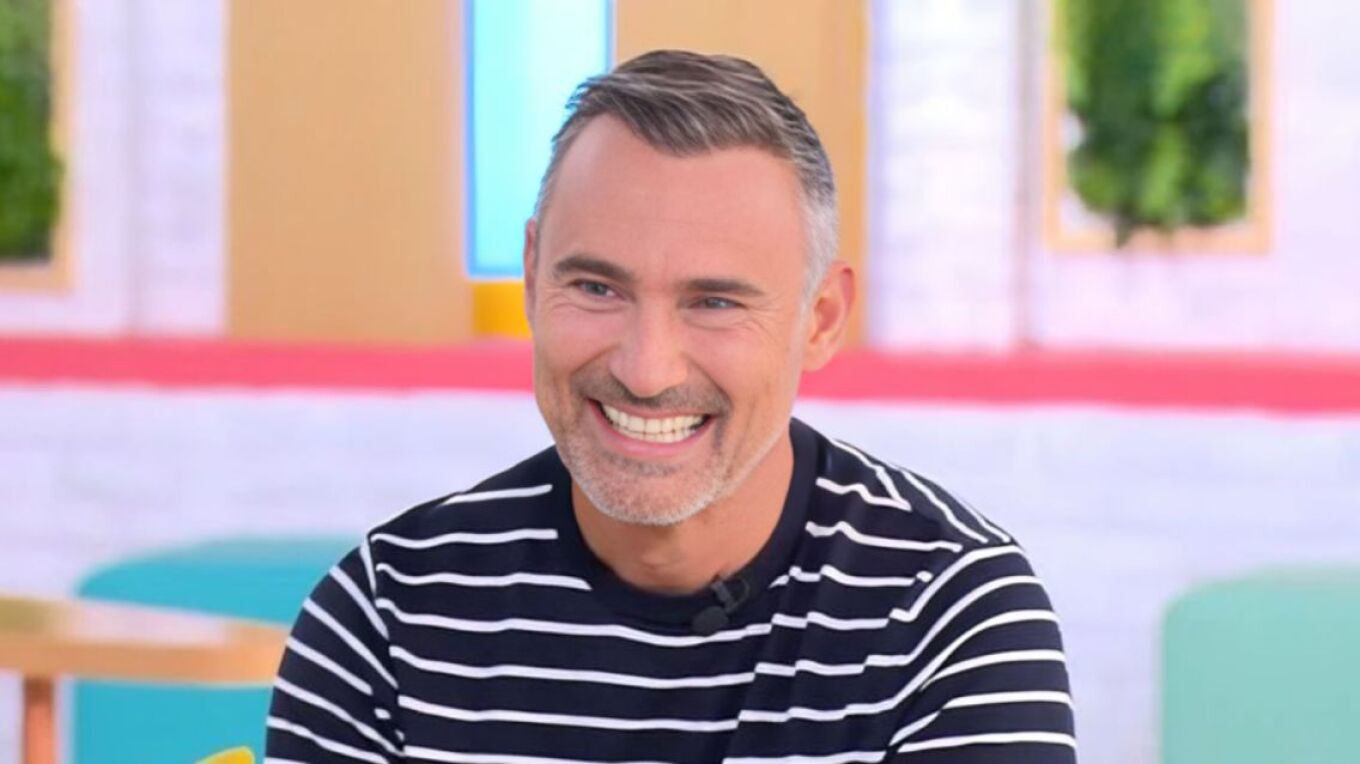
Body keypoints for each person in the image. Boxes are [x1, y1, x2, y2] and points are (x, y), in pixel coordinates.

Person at [266, 50, 1076, 763]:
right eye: (597, 287)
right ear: (532, 276)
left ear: (821, 320)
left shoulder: (950, 615)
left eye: (715, 303)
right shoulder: (385, 617)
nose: (647, 371)